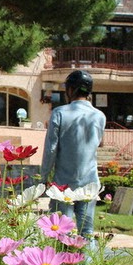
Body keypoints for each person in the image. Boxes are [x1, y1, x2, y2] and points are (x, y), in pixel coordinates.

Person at [40, 70, 106, 238]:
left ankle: (64, 264)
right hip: (89, 181)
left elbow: (51, 149)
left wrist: (43, 177)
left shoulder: (60, 113)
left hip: (63, 183)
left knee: (61, 232)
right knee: (87, 233)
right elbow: (100, 142)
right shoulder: (100, 116)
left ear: (70, 90)